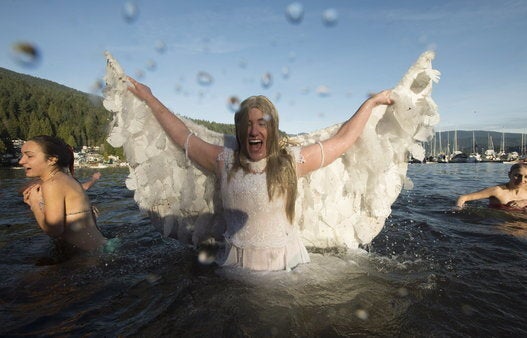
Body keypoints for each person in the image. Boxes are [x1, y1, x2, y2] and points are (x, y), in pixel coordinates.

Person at [127, 77, 393, 271]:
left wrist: (370, 103)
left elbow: (344, 140)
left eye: (261, 124)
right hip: (234, 267)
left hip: (285, 267)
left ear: (273, 128)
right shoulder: (224, 161)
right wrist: (150, 98)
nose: (254, 131)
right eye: (247, 124)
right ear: (239, 130)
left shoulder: (292, 161)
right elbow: (183, 137)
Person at [19, 135, 107, 252]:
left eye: (29, 156)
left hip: (89, 258)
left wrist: (35, 204)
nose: (21, 161)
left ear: (52, 159)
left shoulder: (52, 184)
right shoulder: (67, 180)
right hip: (101, 248)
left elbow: (55, 230)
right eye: (22, 155)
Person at [456, 162, 527, 211]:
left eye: (526, 177)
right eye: (517, 175)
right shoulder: (497, 191)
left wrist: (524, 202)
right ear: (509, 174)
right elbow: (463, 197)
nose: (522, 180)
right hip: (501, 223)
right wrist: (458, 210)